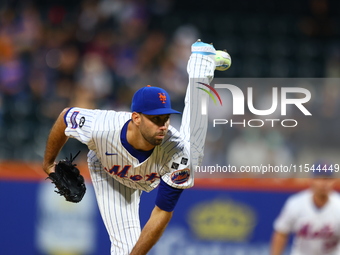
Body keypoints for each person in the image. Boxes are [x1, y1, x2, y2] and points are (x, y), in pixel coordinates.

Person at [42, 39, 229, 255]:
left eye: (166, 117)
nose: (164, 125)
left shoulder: (175, 151)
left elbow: (162, 212)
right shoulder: (102, 127)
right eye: (156, 119)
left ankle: (201, 64)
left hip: (154, 168)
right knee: (126, 249)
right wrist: (48, 164)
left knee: (192, 156)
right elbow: (66, 117)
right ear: (136, 118)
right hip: (109, 172)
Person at [270, 169, 340, 255]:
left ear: (334, 181)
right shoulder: (296, 203)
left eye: (328, 179)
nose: (324, 183)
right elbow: (281, 232)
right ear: (311, 180)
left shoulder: (338, 205)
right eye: (319, 178)